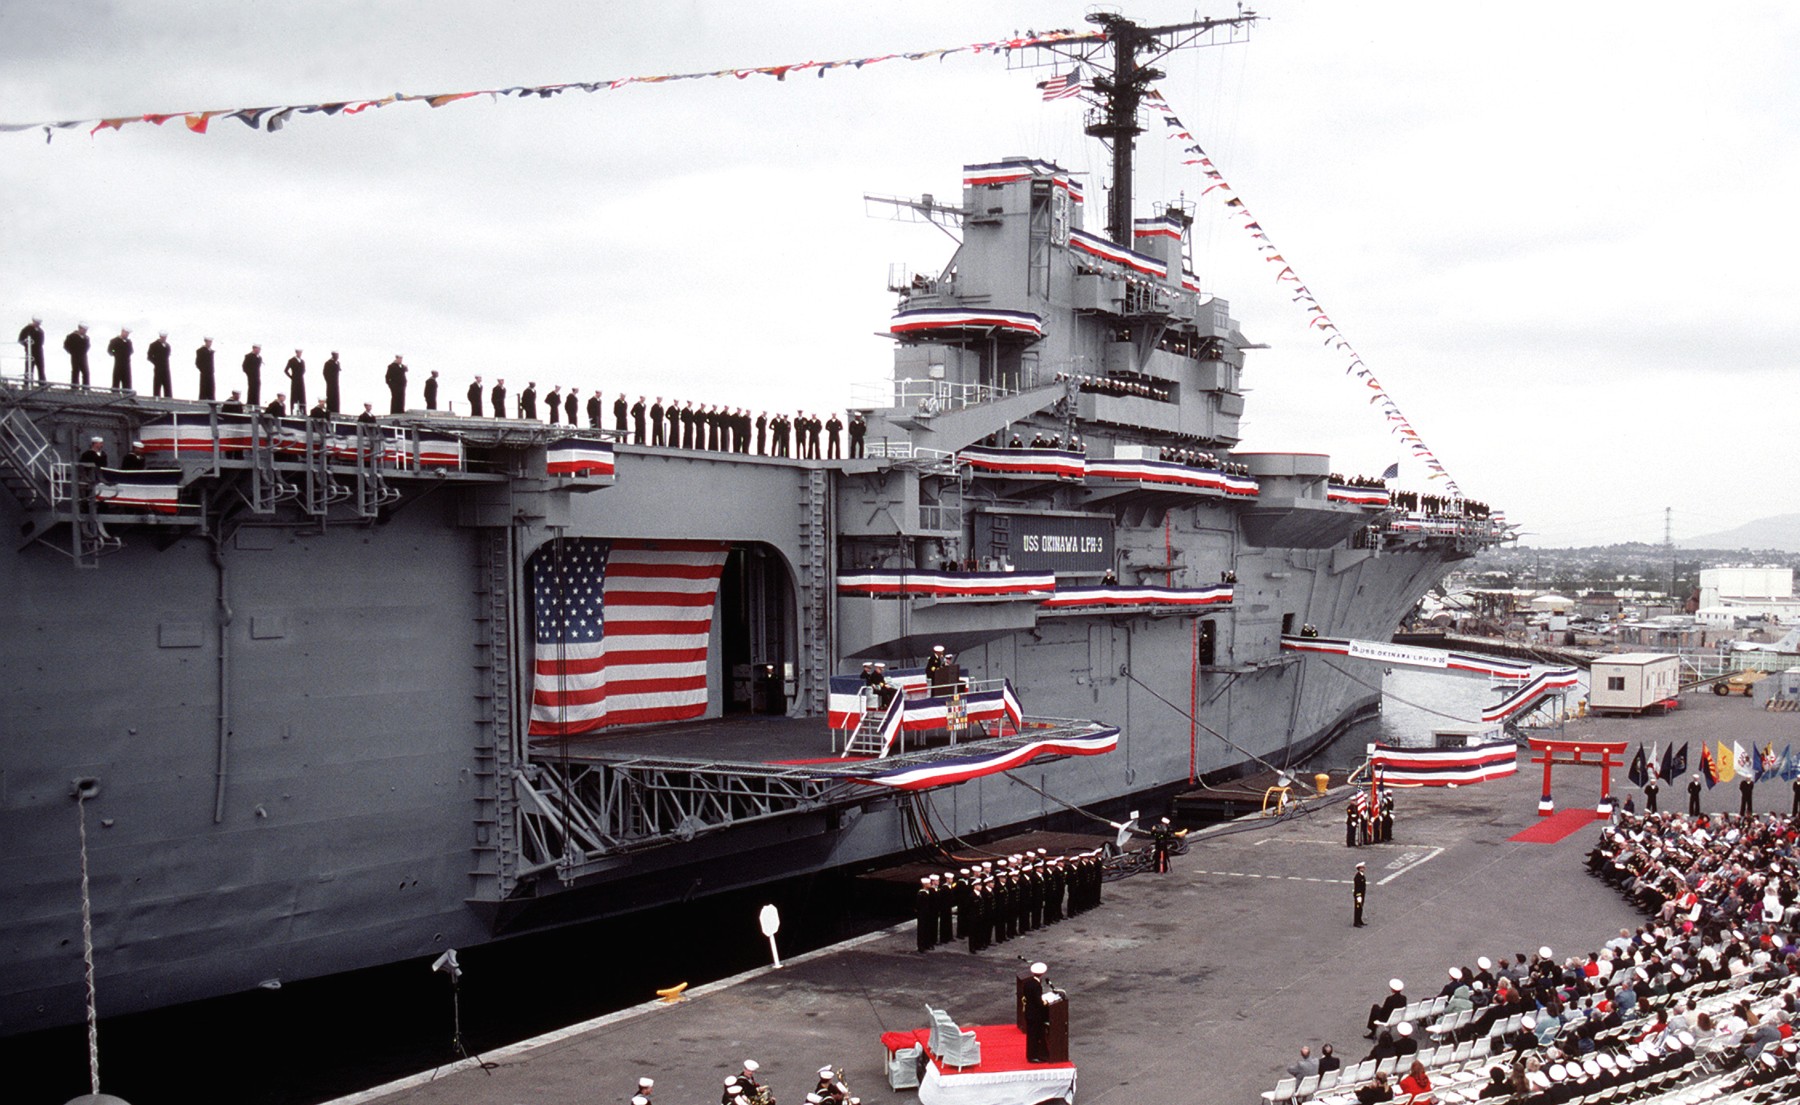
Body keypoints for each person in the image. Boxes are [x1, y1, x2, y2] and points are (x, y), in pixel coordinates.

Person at [17, 317, 46, 383]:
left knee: (41, 367)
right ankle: (27, 383)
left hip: (39, 351)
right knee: (29, 367)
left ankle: (42, 383)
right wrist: (27, 345)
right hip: (31, 350)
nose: (38, 324)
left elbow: (42, 341)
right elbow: (20, 339)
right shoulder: (27, 329)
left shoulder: (40, 331)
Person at [1353, 861, 1368, 927]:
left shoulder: (1361, 875)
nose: (1364, 868)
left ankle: (1359, 920)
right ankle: (1356, 922)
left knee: (1360, 907)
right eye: (1362, 867)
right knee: (1358, 908)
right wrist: (1358, 896)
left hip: (1362, 894)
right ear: (1359, 868)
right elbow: (1358, 887)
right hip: (1358, 895)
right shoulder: (1358, 876)